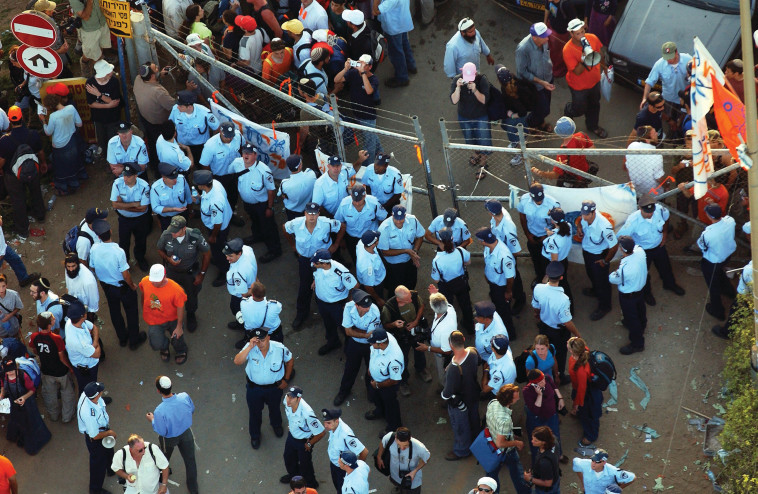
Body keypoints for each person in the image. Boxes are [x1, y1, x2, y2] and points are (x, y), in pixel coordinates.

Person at [284, 202, 345, 329]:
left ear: (318, 214)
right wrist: (293, 246)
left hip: (324, 262)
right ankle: (301, 313)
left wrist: (336, 245)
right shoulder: (296, 224)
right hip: (306, 260)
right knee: (305, 287)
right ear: (305, 213)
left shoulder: (326, 223)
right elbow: (285, 228)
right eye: (309, 213)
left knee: (327, 284)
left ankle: (327, 312)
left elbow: (342, 227)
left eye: (314, 213)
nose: (312, 216)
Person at [89, 219, 148, 350]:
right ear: (110, 231)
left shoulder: (94, 248)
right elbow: (125, 274)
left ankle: (122, 338)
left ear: (98, 236)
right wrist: (132, 285)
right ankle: (134, 340)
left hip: (107, 286)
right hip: (122, 286)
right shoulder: (118, 251)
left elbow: (92, 267)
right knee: (131, 312)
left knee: (115, 311)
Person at [617, 194, 685, 306]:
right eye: (647, 212)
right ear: (640, 208)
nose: (650, 214)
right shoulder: (633, 221)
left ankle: (669, 284)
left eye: (652, 211)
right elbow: (621, 237)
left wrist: (664, 233)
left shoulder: (659, 209)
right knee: (644, 273)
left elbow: (666, 218)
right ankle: (647, 294)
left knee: (666, 268)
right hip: (643, 251)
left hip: (659, 247)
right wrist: (630, 253)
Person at [233, 328, 294, 449]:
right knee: (254, 413)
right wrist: (250, 347)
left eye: (262, 340)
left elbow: (290, 361)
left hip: (274, 389)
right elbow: (237, 361)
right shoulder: (250, 348)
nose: (259, 343)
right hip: (254, 389)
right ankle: (255, 435)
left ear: (268, 338)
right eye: (257, 341)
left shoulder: (279, 348)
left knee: (275, 409)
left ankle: (276, 425)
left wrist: (286, 379)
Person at [146, 376, 198, 494]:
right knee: (190, 460)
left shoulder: (159, 411)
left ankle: (162, 475)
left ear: (158, 391)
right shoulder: (184, 396)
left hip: (169, 439)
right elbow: (192, 410)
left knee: (163, 458)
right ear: (171, 385)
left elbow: (161, 431)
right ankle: (193, 488)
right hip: (186, 433)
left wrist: (152, 419)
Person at [0, 106, 46, 239]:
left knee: (18, 201)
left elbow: (1, 162)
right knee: (36, 192)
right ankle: (40, 215)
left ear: (9, 120)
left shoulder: (5, 141)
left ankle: (22, 229)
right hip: (33, 170)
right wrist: (42, 164)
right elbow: (40, 152)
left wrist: (2, 171)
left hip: (13, 176)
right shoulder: (33, 134)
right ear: (22, 118)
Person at [532, 261, 580, 382]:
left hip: (543, 326)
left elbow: (535, 306)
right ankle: (559, 375)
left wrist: (538, 315)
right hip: (558, 331)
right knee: (560, 354)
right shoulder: (563, 299)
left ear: (547, 275)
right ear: (561, 277)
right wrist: (578, 335)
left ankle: (546, 372)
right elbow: (567, 322)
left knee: (545, 349)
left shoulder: (538, 288)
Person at [334, 290, 381, 406]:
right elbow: (348, 332)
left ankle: (371, 391)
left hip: (370, 345)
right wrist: (363, 333)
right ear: (356, 305)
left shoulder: (374, 311)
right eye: (364, 307)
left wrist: (357, 330)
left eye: (368, 306)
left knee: (371, 370)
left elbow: (370, 335)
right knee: (350, 369)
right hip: (354, 343)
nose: (367, 309)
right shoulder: (349, 307)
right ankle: (344, 391)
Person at [236, 143, 282, 262]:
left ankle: (274, 250)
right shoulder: (238, 164)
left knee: (269, 227)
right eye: (244, 152)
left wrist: (269, 208)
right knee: (255, 222)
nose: (246, 155)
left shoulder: (263, 170)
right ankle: (257, 236)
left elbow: (271, 190)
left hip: (262, 205)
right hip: (248, 204)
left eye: (249, 153)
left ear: (255, 155)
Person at [563, 19, 607, 139]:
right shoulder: (567, 50)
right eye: (578, 33)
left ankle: (593, 126)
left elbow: (600, 54)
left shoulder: (592, 38)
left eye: (583, 31)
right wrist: (584, 60)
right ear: (571, 34)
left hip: (594, 82)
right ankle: (569, 110)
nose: (582, 35)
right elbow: (577, 72)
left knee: (594, 105)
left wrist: (606, 69)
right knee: (579, 109)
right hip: (578, 87)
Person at [381, 286, 429, 396]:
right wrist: (394, 324)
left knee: (420, 350)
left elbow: (421, 306)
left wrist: (416, 321)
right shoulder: (389, 308)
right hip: (401, 337)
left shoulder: (413, 295)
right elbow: (385, 324)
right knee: (402, 359)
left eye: (410, 297)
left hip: (416, 332)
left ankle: (421, 369)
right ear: (399, 300)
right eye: (408, 300)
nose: (411, 300)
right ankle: (403, 381)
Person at [28, 312, 76, 423]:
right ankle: (67, 417)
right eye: (53, 319)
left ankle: (54, 415)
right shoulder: (56, 338)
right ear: (50, 324)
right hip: (61, 372)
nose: (54, 320)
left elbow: (34, 350)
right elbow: (62, 357)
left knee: (50, 395)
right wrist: (70, 367)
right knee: (67, 393)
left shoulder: (34, 336)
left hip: (46, 371)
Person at [335, 55, 383, 164]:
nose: (360, 66)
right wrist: (345, 69)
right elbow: (336, 80)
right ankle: (381, 153)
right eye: (359, 63)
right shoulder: (352, 73)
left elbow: (369, 91)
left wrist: (362, 74)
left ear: (369, 67)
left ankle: (368, 166)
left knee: (369, 144)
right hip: (357, 113)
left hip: (368, 116)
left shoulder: (373, 79)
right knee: (371, 136)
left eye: (363, 65)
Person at [440, 331, 480, 461]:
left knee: (461, 427)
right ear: (463, 339)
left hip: (460, 402)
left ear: (451, 345)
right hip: (473, 394)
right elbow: (479, 362)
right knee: (474, 419)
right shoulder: (473, 352)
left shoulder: (453, 368)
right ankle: (476, 441)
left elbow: (446, 395)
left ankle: (462, 450)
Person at [576, 200, 618, 321]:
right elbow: (579, 221)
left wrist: (605, 261)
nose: (584, 217)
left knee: (602, 282)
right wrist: (579, 227)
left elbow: (614, 246)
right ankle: (595, 291)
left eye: (587, 215)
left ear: (593, 212)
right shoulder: (585, 217)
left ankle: (605, 306)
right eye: (583, 214)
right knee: (591, 274)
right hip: (587, 251)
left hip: (599, 256)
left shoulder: (604, 226)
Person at [484, 384, 529, 494]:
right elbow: (500, 443)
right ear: (509, 401)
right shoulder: (505, 419)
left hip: (491, 446)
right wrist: (516, 442)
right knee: (518, 476)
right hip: (506, 451)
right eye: (516, 397)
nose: (519, 398)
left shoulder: (493, 403)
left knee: (491, 476)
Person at [311, 249, 358, 355]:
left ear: (324, 263)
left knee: (344, 327)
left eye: (316, 262)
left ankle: (350, 347)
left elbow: (355, 287)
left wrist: (349, 303)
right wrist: (315, 281)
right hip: (321, 302)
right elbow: (316, 274)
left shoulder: (340, 272)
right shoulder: (316, 265)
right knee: (328, 324)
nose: (313, 263)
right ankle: (333, 342)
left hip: (337, 305)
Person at [0, 358, 51, 455]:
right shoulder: (3, 375)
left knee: (30, 423)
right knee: (17, 420)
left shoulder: (23, 376)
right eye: (7, 370)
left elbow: (32, 390)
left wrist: (23, 398)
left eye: (12, 369)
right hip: (14, 403)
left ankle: (33, 445)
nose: (10, 372)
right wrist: (1, 395)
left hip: (27, 403)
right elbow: (3, 387)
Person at [139, 264, 188, 364]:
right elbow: (143, 294)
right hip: (154, 320)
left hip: (172, 319)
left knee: (177, 338)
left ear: (165, 276)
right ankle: (164, 347)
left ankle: (181, 350)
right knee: (156, 343)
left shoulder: (176, 290)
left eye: (158, 280)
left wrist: (179, 326)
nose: (155, 283)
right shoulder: (145, 281)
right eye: (153, 280)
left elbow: (180, 307)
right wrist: (144, 307)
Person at [697, 204, 737, 321]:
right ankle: (729, 292)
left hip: (712, 261)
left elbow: (702, 246)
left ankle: (718, 310)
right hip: (727, 255)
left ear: (709, 216)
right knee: (720, 274)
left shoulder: (707, 234)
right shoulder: (730, 221)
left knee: (713, 285)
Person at [279, 386, 325, 488]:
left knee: (305, 465)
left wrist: (309, 443)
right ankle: (294, 477)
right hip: (292, 436)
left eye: (292, 398)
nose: (288, 400)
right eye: (288, 396)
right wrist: (291, 425)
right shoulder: (286, 402)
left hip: (303, 441)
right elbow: (290, 415)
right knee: (288, 458)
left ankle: (310, 484)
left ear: (299, 399)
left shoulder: (307, 413)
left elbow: (321, 432)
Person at [475, 228, 517, 338]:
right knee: (497, 306)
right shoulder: (489, 246)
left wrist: (508, 292)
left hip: (501, 287)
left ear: (483, 241)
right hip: (493, 284)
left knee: (504, 311)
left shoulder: (504, 255)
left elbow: (510, 277)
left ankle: (510, 334)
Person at [134, 63, 177, 170]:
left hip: (146, 120)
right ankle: (163, 169)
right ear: (152, 76)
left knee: (152, 145)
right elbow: (173, 106)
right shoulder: (159, 92)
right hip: (158, 125)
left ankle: (153, 165)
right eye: (156, 69)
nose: (158, 68)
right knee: (162, 147)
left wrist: (160, 75)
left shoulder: (138, 79)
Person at [429, 228, 473, 333]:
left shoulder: (437, 260)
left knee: (448, 308)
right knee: (466, 306)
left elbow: (436, 280)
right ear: (452, 239)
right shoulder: (460, 251)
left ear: (439, 241)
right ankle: (470, 327)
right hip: (462, 283)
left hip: (447, 287)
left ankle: (451, 330)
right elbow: (468, 262)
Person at [193, 169, 233, 286]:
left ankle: (224, 272)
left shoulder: (215, 201)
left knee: (218, 250)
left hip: (218, 229)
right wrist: (199, 198)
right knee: (218, 248)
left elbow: (218, 222)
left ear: (202, 185)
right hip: (220, 222)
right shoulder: (214, 183)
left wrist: (213, 236)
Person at [451, 62, 492, 174]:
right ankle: (476, 153)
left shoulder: (482, 80)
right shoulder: (456, 80)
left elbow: (484, 100)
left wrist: (475, 90)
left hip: (480, 117)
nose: (469, 80)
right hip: (464, 117)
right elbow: (454, 100)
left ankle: (483, 163)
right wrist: (458, 88)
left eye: (471, 78)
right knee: (469, 139)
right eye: (466, 78)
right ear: (462, 73)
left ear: (475, 73)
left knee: (484, 140)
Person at [642, 42, 692, 133]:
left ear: (676, 52)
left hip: (685, 99)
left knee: (685, 120)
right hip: (669, 99)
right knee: (669, 119)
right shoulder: (659, 64)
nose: (668, 60)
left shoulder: (688, 59)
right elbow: (649, 82)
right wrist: (644, 98)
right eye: (666, 57)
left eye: (670, 57)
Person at [531, 117, 595, 189]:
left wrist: (541, 173)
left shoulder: (563, 152)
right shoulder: (582, 135)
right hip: (585, 170)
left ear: (559, 133)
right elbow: (592, 149)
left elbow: (556, 175)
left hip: (573, 178)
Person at [609, 236, 647, 355]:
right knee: (641, 310)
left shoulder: (625, 269)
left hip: (628, 296)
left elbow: (612, 279)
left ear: (622, 249)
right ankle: (642, 326)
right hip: (640, 290)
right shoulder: (640, 251)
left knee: (632, 319)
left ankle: (637, 344)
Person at [77, 381, 117, 494]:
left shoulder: (88, 394)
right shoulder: (88, 414)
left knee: (109, 450)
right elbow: (94, 436)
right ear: (97, 395)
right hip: (96, 437)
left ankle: (111, 468)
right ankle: (95, 489)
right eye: (100, 392)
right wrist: (110, 433)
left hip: (102, 429)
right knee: (98, 463)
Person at [110, 162, 151, 271]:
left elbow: (143, 208)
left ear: (136, 176)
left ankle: (140, 258)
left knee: (141, 240)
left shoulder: (144, 186)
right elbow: (114, 205)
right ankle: (125, 262)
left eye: (128, 176)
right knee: (124, 242)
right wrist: (134, 204)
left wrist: (122, 205)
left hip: (140, 219)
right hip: (124, 219)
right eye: (124, 175)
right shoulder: (117, 184)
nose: (125, 178)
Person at [41, 91, 83, 195]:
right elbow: (79, 124)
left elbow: (48, 132)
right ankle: (75, 183)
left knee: (62, 168)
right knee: (73, 163)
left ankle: (63, 188)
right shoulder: (71, 108)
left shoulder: (53, 116)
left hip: (59, 146)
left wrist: (43, 121)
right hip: (72, 142)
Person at [516, 23, 555, 131]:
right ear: (534, 37)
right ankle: (530, 125)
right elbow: (522, 72)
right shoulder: (523, 49)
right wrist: (541, 82)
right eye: (544, 36)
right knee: (543, 109)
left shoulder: (544, 41)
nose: (547, 38)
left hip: (548, 78)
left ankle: (540, 122)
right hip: (534, 86)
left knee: (545, 107)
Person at [199, 121, 243, 217]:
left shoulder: (238, 136)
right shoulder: (210, 145)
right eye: (226, 136)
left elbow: (242, 146)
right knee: (220, 197)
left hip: (233, 173)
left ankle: (232, 213)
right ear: (220, 132)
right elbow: (205, 165)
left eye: (231, 136)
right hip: (219, 176)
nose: (230, 139)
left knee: (233, 194)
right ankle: (220, 215)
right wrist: (211, 180)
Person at [518, 183, 560, 281]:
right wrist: (528, 235)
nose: (539, 202)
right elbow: (522, 216)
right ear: (530, 195)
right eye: (537, 200)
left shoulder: (553, 203)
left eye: (541, 199)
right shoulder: (524, 201)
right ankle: (539, 278)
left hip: (547, 238)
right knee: (536, 260)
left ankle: (550, 281)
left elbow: (557, 224)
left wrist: (547, 237)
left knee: (548, 261)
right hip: (532, 236)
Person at [522, 370, 565, 464]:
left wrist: (560, 398)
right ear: (533, 384)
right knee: (536, 441)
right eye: (540, 382)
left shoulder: (547, 378)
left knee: (555, 437)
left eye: (543, 379)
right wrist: (539, 395)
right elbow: (535, 410)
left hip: (552, 416)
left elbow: (554, 387)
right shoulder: (527, 391)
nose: (543, 382)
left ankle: (559, 455)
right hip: (537, 419)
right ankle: (537, 462)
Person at [365, 328, 404, 431]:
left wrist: (378, 385)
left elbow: (394, 380)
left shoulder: (394, 359)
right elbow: (372, 352)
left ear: (381, 344)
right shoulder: (383, 336)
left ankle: (394, 428)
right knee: (376, 397)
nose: (371, 344)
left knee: (391, 406)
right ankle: (380, 411)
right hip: (375, 379)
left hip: (387, 385)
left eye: (373, 343)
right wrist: (370, 367)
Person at [378, 205, 425, 290]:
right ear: (392, 215)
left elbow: (420, 236)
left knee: (411, 284)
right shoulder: (384, 228)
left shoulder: (413, 220)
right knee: (394, 288)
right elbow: (385, 252)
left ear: (405, 215)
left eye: (401, 218)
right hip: (394, 265)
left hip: (410, 260)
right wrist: (406, 251)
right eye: (396, 218)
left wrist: (414, 251)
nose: (399, 221)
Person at [322, 408, 369, 491]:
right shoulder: (333, 427)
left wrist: (354, 470)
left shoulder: (346, 435)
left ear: (336, 421)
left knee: (342, 490)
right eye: (325, 422)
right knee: (337, 486)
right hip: (335, 463)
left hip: (343, 468)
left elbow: (364, 452)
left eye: (328, 423)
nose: (325, 425)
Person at [169, 91, 221, 165]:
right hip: (183, 145)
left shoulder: (205, 113)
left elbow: (216, 127)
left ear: (189, 106)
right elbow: (171, 124)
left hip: (200, 147)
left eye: (181, 106)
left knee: (200, 165)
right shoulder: (175, 110)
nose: (178, 107)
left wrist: (211, 143)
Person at [415, 290, 456, 382]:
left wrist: (427, 348)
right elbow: (442, 301)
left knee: (444, 376)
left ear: (433, 308)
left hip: (442, 356)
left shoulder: (445, 330)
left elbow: (447, 351)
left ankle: (446, 390)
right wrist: (435, 294)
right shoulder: (449, 308)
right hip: (448, 346)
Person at [373, 0, 416, 88]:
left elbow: (376, 11)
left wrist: (375, 2)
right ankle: (411, 65)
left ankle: (402, 77)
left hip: (394, 26)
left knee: (396, 52)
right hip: (402, 20)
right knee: (404, 44)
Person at [568, 337, 602, 447]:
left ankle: (591, 435)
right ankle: (579, 412)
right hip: (581, 389)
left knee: (589, 415)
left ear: (572, 351)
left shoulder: (581, 369)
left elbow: (582, 390)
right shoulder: (584, 351)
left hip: (587, 394)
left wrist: (578, 404)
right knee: (584, 411)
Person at [65, 301, 104, 394]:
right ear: (83, 316)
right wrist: (96, 344)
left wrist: (94, 344)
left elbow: (94, 327)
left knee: (91, 385)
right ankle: (91, 403)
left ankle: (96, 398)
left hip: (87, 361)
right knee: (86, 389)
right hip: (86, 368)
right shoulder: (78, 342)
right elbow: (97, 354)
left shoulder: (71, 322)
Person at [376, 427, 430, 493]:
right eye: (398, 445)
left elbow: (427, 457)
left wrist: (415, 471)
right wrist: (379, 457)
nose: (402, 448)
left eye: (405, 445)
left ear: (410, 438)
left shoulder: (419, 447)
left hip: (411, 479)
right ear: (395, 437)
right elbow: (382, 443)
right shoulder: (390, 437)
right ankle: (400, 490)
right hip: (394, 474)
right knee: (396, 483)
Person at [86, 60, 123, 153]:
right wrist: (108, 106)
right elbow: (91, 104)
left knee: (113, 139)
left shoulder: (114, 81)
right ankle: (105, 155)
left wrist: (99, 95)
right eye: (108, 71)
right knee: (101, 139)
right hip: (98, 118)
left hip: (113, 118)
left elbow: (114, 101)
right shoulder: (90, 83)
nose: (111, 72)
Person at [313, 153, 367, 217]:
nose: (336, 168)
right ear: (328, 166)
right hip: (332, 215)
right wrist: (331, 218)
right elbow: (317, 206)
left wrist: (360, 160)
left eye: (338, 165)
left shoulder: (343, 172)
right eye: (333, 166)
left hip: (347, 210)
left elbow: (353, 170)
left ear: (341, 166)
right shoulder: (319, 184)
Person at [68, 0, 111, 76]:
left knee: (100, 48)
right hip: (89, 29)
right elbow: (85, 16)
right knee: (92, 54)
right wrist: (90, 1)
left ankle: (98, 68)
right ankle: (88, 65)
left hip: (102, 23)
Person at [223, 237, 258, 331]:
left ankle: (246, 333)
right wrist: (255, 280)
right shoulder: (247, 249)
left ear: (239, 253)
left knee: (239, 312)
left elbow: (244, 294)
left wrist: (255, 288)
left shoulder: (239, 272)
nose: (227, 258)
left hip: (240, 296)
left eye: (230, 256)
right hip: (251, 282)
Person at [541, 208, 574, 305]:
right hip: (564, 260)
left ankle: (564, 307)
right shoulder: (568, 226)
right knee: (564, 284)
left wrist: (547, 276)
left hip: (555, 264)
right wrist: (552, 233)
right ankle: (570, 306)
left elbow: (554, 261)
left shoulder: (554, 240)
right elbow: (560, 233)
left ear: (552, 221)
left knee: (559, 287)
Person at [236, 281, 283, 349]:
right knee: (277, 349)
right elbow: (279, 308)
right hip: (272, 334)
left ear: (252, 294)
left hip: (253, 333)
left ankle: (247, 342)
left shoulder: (244, 304)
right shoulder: (275, 305)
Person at [151, 162, 192, 231]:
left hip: (182, 214)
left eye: (175, 177)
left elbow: (188, 197)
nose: (175, 180)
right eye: (172, 179)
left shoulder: (182, 179)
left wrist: (190, 211)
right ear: (164, 178)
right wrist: (173, 209)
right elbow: (155, 207)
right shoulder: (155, 188)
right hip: (167, 218)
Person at [624, 126, 663, 195]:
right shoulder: (656, 154)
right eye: (654, 134)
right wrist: (666, 186)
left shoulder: (631, 146)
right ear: (647, 140)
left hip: (635, 190)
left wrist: (631, 182)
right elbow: (659, 178)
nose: (657, 134)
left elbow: (627, 167)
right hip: (652, 193)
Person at [522, 426, 561, 493]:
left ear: (543, 442)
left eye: (536, 441)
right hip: (556, 479)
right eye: (532, 438)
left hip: (546, 490)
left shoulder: (544, 462)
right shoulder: (553, 440)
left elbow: (548, 483)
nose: (532, 441)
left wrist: (530, 479)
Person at [543, 0, 577, 78]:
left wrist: (575, 36)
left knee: (558, 53)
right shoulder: (550, 1)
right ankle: (551, 65)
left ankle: (558, 71)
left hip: (560, 33)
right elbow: (547, 8)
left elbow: (574, 20)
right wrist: (545, 23)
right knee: (550, 49)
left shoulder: (566, 4)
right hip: (550, 26)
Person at [278, 155, 317, 220]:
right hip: (309, 209)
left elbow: (280, 194)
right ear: (300, 166)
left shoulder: (284, 184)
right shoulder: (311, 174)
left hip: (293, 213)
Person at [355, 230, 387, 306]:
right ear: (374, 244)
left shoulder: (362, 242)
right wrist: (378, 299)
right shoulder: (367, 266)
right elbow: (368, 286)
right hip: (375, 286)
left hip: (378, 275)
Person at [65, 253, 100, 319]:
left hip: (85, 311)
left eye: (73, 266)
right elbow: (68, 286)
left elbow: (93, 302)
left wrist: (88, 316)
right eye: (68, 266)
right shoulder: (68, 270)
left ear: (78, 264)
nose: (71, 269)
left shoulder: (88, 281)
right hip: (73, 305)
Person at [0, 274, 24, 339]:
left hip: (13, 324)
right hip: (1, 329)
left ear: (6, 285)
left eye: (3, 286)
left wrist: (9, 315)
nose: (1, 290)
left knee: (16, 339)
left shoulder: (13, 294)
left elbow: (19, 306)